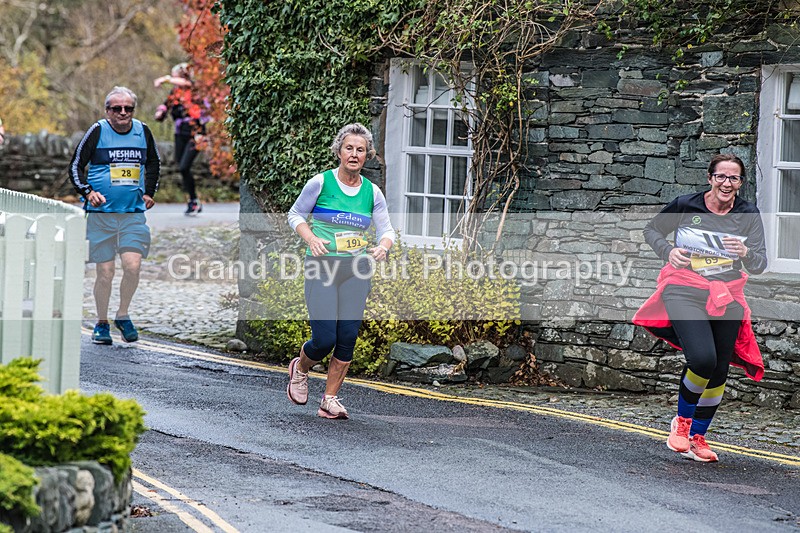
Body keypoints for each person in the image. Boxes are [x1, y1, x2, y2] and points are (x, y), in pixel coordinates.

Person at [633, 154, 766, 463]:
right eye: (721, 176)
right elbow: (651, 230)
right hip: (683, 289)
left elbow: (759, 264)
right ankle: (681, 422)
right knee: (703, 359)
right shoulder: (685, 204)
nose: (726, 183)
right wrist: (669, 251)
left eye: (733, 178)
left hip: (727, 295)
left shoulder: (748, 213)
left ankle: (698, 437)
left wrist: (746, 252)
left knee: (719, 369)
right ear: (710, 178)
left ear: (741, 183)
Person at [286, 123, 395, 419]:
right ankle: (301, 368)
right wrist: (311, 238)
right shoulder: (320, 183)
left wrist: (383, 247)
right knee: (324, 338)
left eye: (360, 150)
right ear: (339, 151)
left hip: (355, 270)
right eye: (349, 148)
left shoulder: (373, 192)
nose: (354, 154)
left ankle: (330, 399)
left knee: (347, 335)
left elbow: (387, 230)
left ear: (367, 155)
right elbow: (295, 214)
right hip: (321, 266)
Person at [69, 86, 160, 345]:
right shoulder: (98, 131)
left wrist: (149, 191)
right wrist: (87, 192)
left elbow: (154, 162)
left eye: (128, 108)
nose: (123, 113)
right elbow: (76, 165)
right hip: (101, 215)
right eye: (117, 108)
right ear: (107, 110)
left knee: (133, 267)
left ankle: (122, 314)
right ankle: (101, 322)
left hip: (132, 214)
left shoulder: (143, 131)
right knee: (105, 273)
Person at [154, 63, 206, 216]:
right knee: (181, 166)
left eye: (175, 76)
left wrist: (165, 79)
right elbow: (166, 106)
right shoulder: (175, 93)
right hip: (180, 133)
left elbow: (186, 84)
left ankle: (194, 201)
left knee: (184, 166)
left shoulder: (192, 89)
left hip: (195, 133)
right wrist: (160, 112)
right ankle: (192, 200)